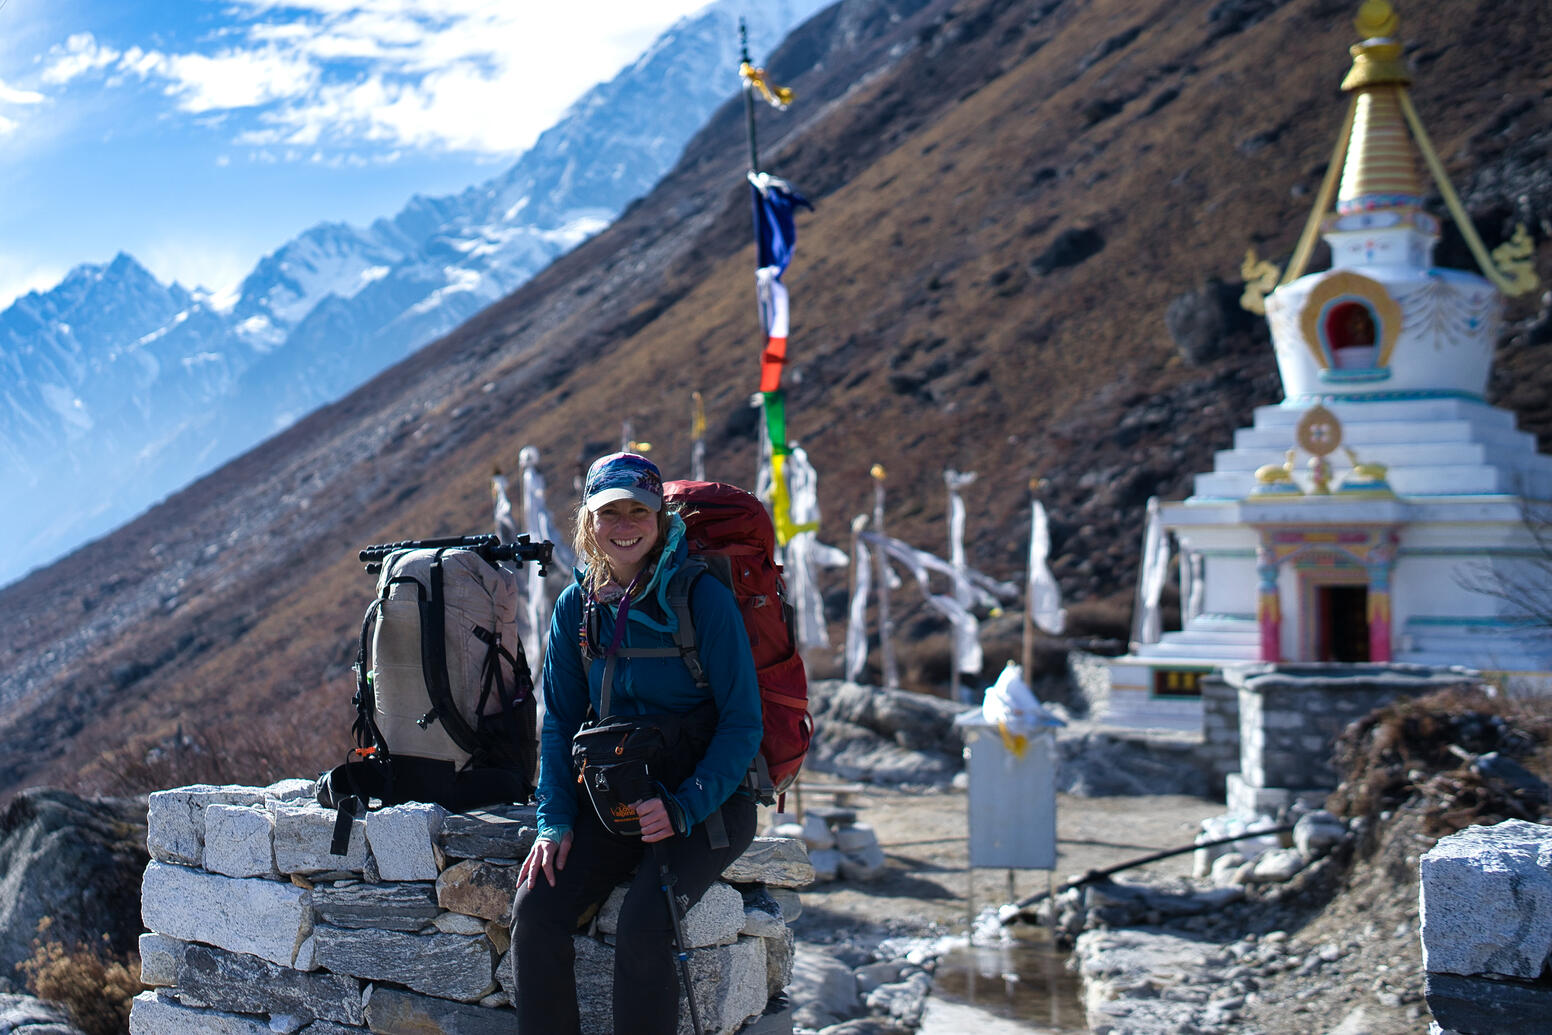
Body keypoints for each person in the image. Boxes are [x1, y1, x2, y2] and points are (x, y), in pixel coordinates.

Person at [510, 451, 762, 1034]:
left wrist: (683, 806)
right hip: (616, 797)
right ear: (589, 523)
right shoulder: (577, 607)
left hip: (709, 803)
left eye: (638, 511)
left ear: (661, 518)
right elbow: (560, 724)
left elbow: (743, 723)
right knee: (537, 911)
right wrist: (554, 822)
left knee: (645, 924)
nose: (624, 525)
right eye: (609, 512)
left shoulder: (701, 599)